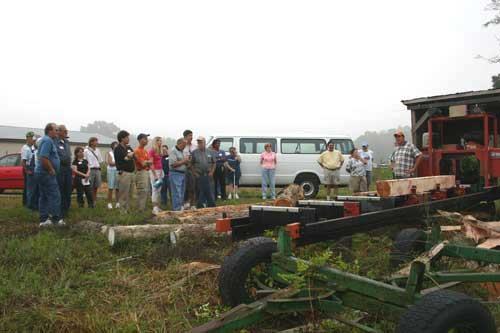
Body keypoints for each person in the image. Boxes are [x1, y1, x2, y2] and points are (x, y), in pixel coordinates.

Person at [35, 123, 63, 227]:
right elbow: (43, 157)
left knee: (44, 196)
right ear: (49, 130)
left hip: (42, 173)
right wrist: (51, 169)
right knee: (54, 195)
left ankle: (44, 220)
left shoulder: (47, 140)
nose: (57, 131)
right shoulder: (47, 140)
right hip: (46, 173)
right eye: (56, 130)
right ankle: (56, 219)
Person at [191, 136, 216, 208]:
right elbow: (191, 164)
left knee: (210, 191)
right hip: (199, 176)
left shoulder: (210, 152)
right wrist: (194, 173)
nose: (199, 144)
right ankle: (200, 206)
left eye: (201, 142)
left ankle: (211, 206)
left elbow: (214, 163)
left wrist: (212, 172)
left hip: (208, 175)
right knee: (200, 192)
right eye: (198, 142)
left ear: (205, 143)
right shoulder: (194, 152)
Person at [114, 130, 136, 212]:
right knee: (123, 193)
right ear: (122, 138)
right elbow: (125, 159)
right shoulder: (118, 149)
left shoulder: (129, 148)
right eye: (127, 137)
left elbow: (133, 156)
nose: (128, 139)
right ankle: (122, 211)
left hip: (131, 173)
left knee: (130, 193)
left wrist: (131, 155)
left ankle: (128, 209)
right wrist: (129, 155)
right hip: (123, 173)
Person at [55, 125, 72, 216]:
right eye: (65, 131)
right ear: (59, 132)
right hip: (60, 168)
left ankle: (66, 209)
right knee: (60, 189)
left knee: (68, 189)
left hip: (68, 169)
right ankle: (59, 210)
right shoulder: (55, 142)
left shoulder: (66, 142)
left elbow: (69, 155)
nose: (66, 132)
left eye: (67, 131)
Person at [169, 138, 189, 211]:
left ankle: (180, 207)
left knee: (181, 192)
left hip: (183, 174)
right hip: (175, 174)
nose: (185, 146)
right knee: (176, 192)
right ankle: (176, 209)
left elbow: (184, 162)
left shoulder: (183, 151)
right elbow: (173, 164)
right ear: (179, 143)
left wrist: (187, 161)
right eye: (184, 145)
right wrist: (184, 161)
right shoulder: (173, 151)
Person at [134, 133, 151, 212]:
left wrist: (147, 162)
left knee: (145, 191)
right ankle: (139, 210)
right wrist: (148, 162)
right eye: (145, 139)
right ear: (140, 140)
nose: (147, 140)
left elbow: (150, 162)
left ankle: (142, 208)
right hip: (140, 172)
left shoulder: (145, 151)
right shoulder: (137, 151)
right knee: (142, 191)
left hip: (146, 172)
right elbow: (143, 163)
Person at [84, 137, 103, 203]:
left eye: (97, 141)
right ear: (91, 142)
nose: (97, 142)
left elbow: (100, 160)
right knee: (90, 186)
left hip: (97, 169)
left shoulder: (98, 150)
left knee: (96, 186)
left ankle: (94, 200)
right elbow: (85, 161)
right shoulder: (86, 150)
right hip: (90, 169)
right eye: (95, 141)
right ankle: (89, 200)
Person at [148, 136, 164, 215]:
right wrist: (155, 175)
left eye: (161, 141)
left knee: (159, 190)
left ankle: (157, 206)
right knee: (154, 189)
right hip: (154, 172)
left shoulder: (160, 151)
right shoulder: (151, 151)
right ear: (156, 141)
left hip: (160, 171)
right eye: (159, 141)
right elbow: (151, 164)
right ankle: (154, 208)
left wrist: (161, 172)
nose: (161, 142)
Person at [183, 129, 197, 209]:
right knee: (184, 187)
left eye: (192, 135)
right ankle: (185, 202)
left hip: (192, 169)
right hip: (184, 169)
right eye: (189, 136)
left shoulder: (194, 147)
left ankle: (193, 204)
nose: (191, 137)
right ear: (185, 137)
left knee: (192, 187)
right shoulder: (182, 146)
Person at [21, 131, 36, 208]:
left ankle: (31, 203)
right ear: (28, 138)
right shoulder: (25, 148)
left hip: (33, 169)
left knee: (32, 187)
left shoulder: (33, 147)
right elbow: (23, 161)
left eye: (33, 138)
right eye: (31, 138)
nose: (33, 139)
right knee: (28, 187)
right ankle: (26, 204)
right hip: (27, 168)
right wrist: (27, 171)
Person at [106, 141, 119, 209]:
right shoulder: (110, 153)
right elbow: (110, 163)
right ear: (112, 146)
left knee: (117, 188)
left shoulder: (119, 153)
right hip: (111, 171)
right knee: (110, 187)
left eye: (117, 145)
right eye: (115, 145)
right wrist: (118, 162)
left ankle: (117, 202)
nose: (116, 146)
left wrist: (116, 163)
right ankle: (109, 203)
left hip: (118, 170)